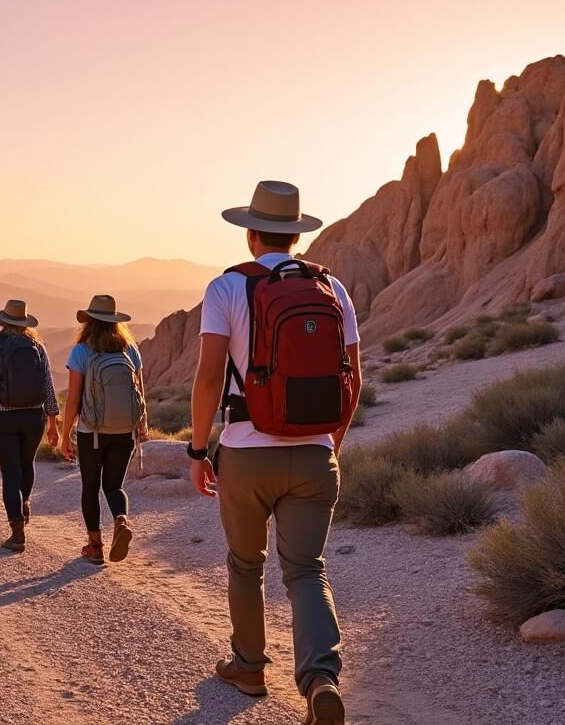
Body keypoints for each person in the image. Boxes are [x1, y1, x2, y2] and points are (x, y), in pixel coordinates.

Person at [187, 181, 361, 725]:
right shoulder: (332, 288)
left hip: (245, 451)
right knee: (307, 569)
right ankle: (320, 680)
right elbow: (353, 373)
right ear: (296, 235)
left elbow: (210, 376)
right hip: (313, 454)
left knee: (245, 563)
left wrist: (198, 450)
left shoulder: (226, 288)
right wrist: (333, 440)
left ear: (250, 232)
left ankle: (249, 666)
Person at [60, 295, 147, 564]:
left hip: (92, 432)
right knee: (113, 485)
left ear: (89, 322)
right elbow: (140, 390)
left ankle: (95, 546)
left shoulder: (82, 351)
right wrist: (142, 424)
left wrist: (65, 435)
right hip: (124, 431)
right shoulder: (129, 349)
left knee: (90, 487)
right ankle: (120, 520)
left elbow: (73, 398)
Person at [0, 299, 60, 553]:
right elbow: (48, 385)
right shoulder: (37, 346)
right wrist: (53, 420)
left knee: (10, 471)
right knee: (26, 465)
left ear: (3, 321)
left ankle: (17, 532)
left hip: (4, 416)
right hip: (34, 416)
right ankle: (25, 503)